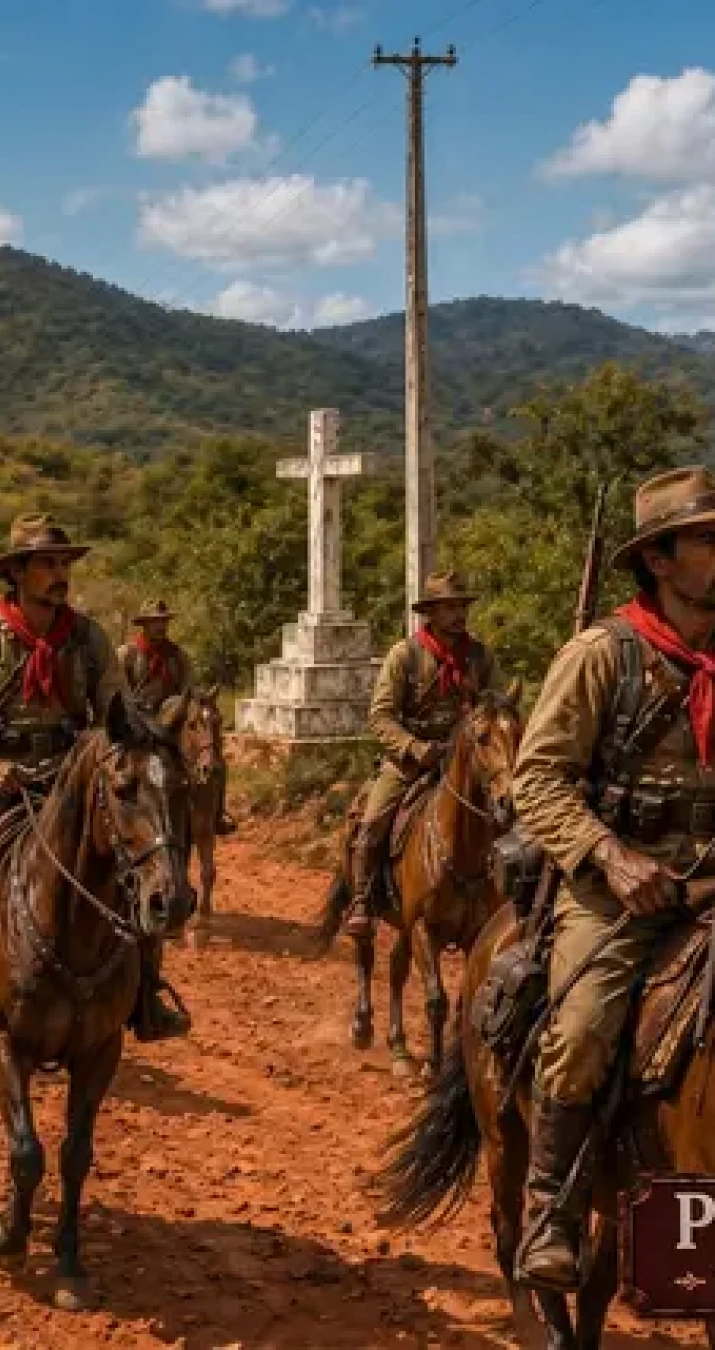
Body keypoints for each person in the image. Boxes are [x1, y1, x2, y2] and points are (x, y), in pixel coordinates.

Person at [510, 466, 715, 1291]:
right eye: (708, 539)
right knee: (585, 1029)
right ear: (660, 560)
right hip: (623, 886)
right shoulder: (603, 655)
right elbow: (537, 780)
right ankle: (551, 1215)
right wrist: (610, 857)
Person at [0, 513, 192, 1052]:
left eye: (64, 563)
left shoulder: (89, 639)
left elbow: (116, 715)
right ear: (20, 574)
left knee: (138, 868)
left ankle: (146, 995)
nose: (60, 573)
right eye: (48, 564)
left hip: (67, 786)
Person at [345, 570, 498, 938]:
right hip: (411, 761)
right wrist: (415, 748)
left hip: (465, 758)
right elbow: (380, 716)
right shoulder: (405, 655)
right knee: (372, 820)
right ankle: (363, 899)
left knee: (511, 814)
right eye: (449, 607)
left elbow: (496, 705)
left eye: (462, 606)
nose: (459, 614)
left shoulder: (480, 656)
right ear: (431, 612)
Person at [119, 598, 235, 835]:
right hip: (138, 721)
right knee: (121, 761)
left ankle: (218, 813)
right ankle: (122, 806)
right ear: (145, 625)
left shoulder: (177, 656)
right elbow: (119, 691)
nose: (161, 627)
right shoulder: (127, 655)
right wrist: (137, 715)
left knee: (213, 758)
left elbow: (188, 689)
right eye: (155, 622)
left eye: (163, 621)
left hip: (172, 721)